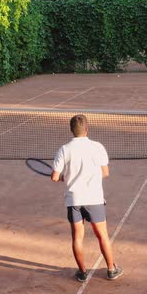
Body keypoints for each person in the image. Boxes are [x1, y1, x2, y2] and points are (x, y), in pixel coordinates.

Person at [51, 114, 123, 282]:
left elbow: (55, 177)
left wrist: (64, 177)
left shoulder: (64, 149)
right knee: (102, 235)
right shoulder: (97, 147)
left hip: (74, 201)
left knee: (77, 238)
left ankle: (82, 272)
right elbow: (105, 173)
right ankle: (111, 269)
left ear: (71, 130)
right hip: (94, 199)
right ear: (87, 129)